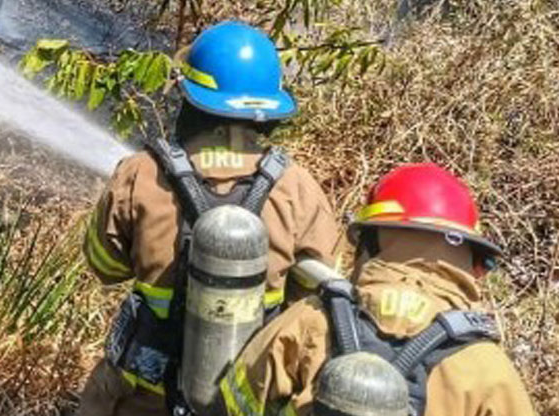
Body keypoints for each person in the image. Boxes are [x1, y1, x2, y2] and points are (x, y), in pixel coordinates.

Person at [78, 21, 340, 416]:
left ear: (190, 98)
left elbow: (104, 266)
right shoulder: (296, 186)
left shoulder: (140, 173)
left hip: (141, 396)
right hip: (247, 399)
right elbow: (319, 293)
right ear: (267, 114)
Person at [218, 163, 536, 416]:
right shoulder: (487, 368)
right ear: (470, 262)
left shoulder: (312, 320)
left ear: (369, 242)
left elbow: (233, 401)